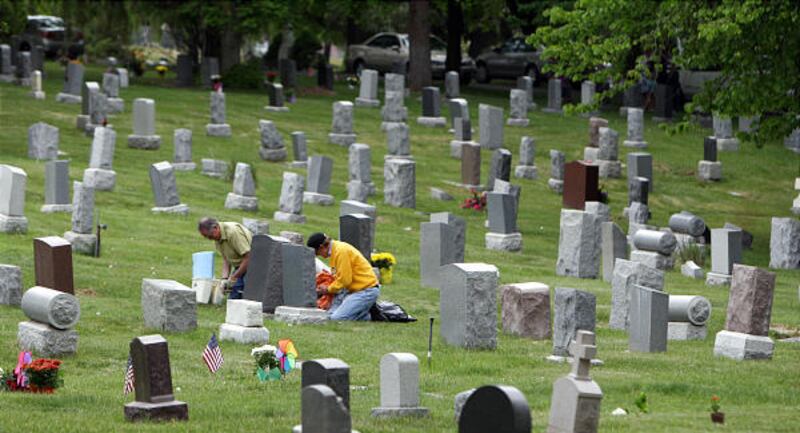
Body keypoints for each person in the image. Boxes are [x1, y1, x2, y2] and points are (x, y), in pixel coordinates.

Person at [307, 232, 379, 321]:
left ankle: (368, 314)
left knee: (337, 318)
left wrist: (328, 289)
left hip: (365, 290)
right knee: (328, 315)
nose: (319, 256)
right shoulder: (335, 251)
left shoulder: (341, 251)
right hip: (350, 291)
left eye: (317, 253)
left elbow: (345, 280)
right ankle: (359, 310)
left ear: (322, 247)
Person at [198, 217, 252, 299]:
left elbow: (248, 256)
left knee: (246, 294)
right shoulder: (217, 237)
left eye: (210, 236)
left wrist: (234, 277)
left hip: (253, 263)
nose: (210, 239)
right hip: (241, 265)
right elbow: (226, 259)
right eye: (207, 237)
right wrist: (224, 279)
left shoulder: (233, 233)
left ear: (215, 227)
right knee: (233, 295)